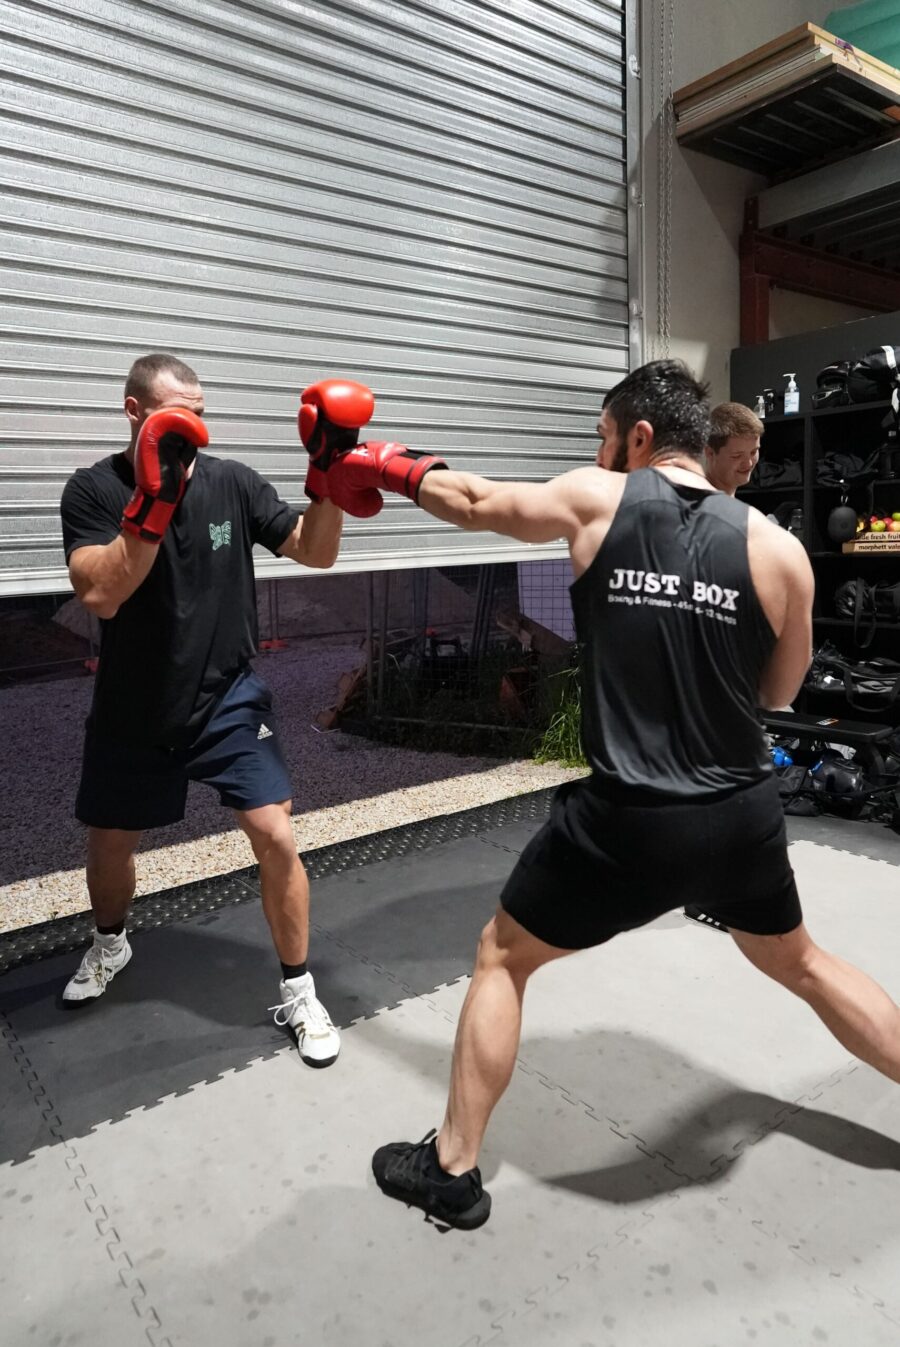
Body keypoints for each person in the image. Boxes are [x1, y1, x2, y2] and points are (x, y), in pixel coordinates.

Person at [318, 359, 900, 1226]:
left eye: (601, 436)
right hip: (742, 814)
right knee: (804, 963)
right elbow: (780, 696)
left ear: (635, 437)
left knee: (502, 956)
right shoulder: (780, 549)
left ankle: (451, 1167)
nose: (596, 451)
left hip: (631, 821)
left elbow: (475, 502)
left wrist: (379, 461)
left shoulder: (599, 497)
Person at [58, 354, 369, 1068]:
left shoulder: (231, 481)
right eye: (178, 412)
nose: (195, 426)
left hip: (227, 697)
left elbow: (314, 552)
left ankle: (297, 989)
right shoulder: (93, 490)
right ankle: (111, 941)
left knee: (277, 835)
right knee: (109, 852)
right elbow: (101, 594)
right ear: (137, 413)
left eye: (201, 410)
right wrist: (153, 499)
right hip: (134, 708)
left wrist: (330, 478)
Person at [703, 402, 763, 495]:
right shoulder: (698, 505)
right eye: (737, 456)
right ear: (710, 453)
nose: (749, 464)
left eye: (753, 452)